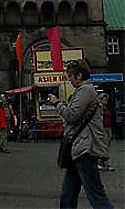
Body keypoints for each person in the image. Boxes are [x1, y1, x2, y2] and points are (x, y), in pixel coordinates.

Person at [48, 59, 114, 209]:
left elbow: (72, 116)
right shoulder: (84, 91)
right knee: (68, 192)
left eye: (70, 76)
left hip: (85, 148)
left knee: (95, 194)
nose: (69, 80)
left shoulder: (86, 90)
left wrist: (57, 103)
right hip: (77, 148)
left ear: (78, 75)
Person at [98, 94, 115, 172]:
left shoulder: (106, 108)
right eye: (104, 100)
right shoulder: (99, 108)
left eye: (106, 100)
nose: (106, 101)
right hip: (103, 128)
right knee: (103, 146)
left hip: (108, 127)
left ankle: (103, 162)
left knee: (107, 146)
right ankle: (102, 163)